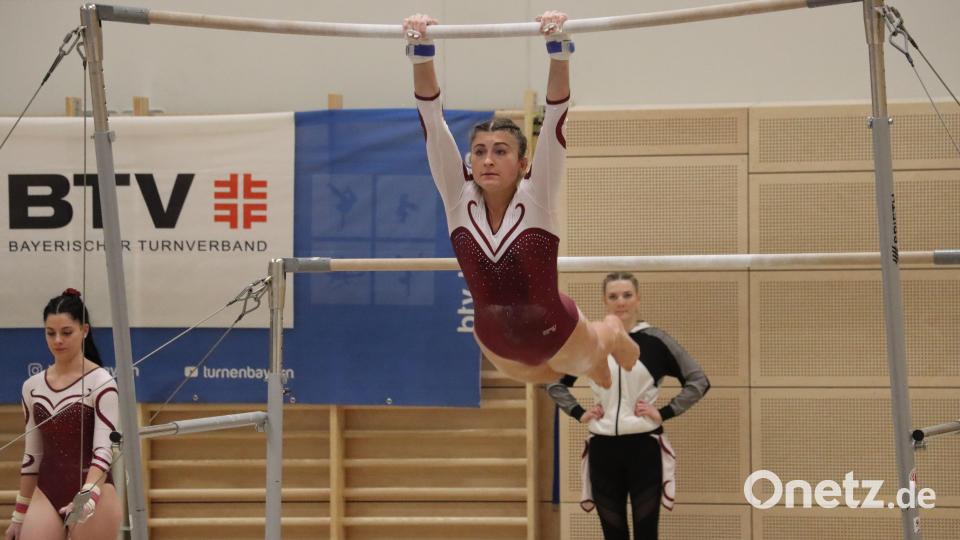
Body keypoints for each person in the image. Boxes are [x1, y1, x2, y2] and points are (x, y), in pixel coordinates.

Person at [404, 11, 638, 387]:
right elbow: (431, 120)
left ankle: (612, 332)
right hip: (497, 344)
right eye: (479, 152)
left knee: (591, 359)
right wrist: (420, 49)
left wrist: (558, 49)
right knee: (550, 376)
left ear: (523, 163)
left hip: (557, 333)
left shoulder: (536, 194)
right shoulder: (457, 197)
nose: (488, 160)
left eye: (500, 151)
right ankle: (595, 363)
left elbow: (556, 116)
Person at [547, 272, 711, 540]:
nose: (620, 302)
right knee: (613, 534)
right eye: (613, 296)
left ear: (638, 299)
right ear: (604, 301)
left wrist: (664, 412)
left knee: (646, 533)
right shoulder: (591, 342)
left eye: (627, 295)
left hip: (644, 449)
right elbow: (554, 383)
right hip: (603, 450)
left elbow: (698, 381)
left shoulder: (656, 341)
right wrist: (579, 412)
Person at [5, 289, 121, 540]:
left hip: (95, 490)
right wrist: (19, 516)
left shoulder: (101, 383)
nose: (58, 340)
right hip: (47, 491)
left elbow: (104, 450)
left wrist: (88, 496)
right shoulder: (32, 387)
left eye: (66, 332)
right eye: (51, 333)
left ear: (84, 330)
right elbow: (32, 455)